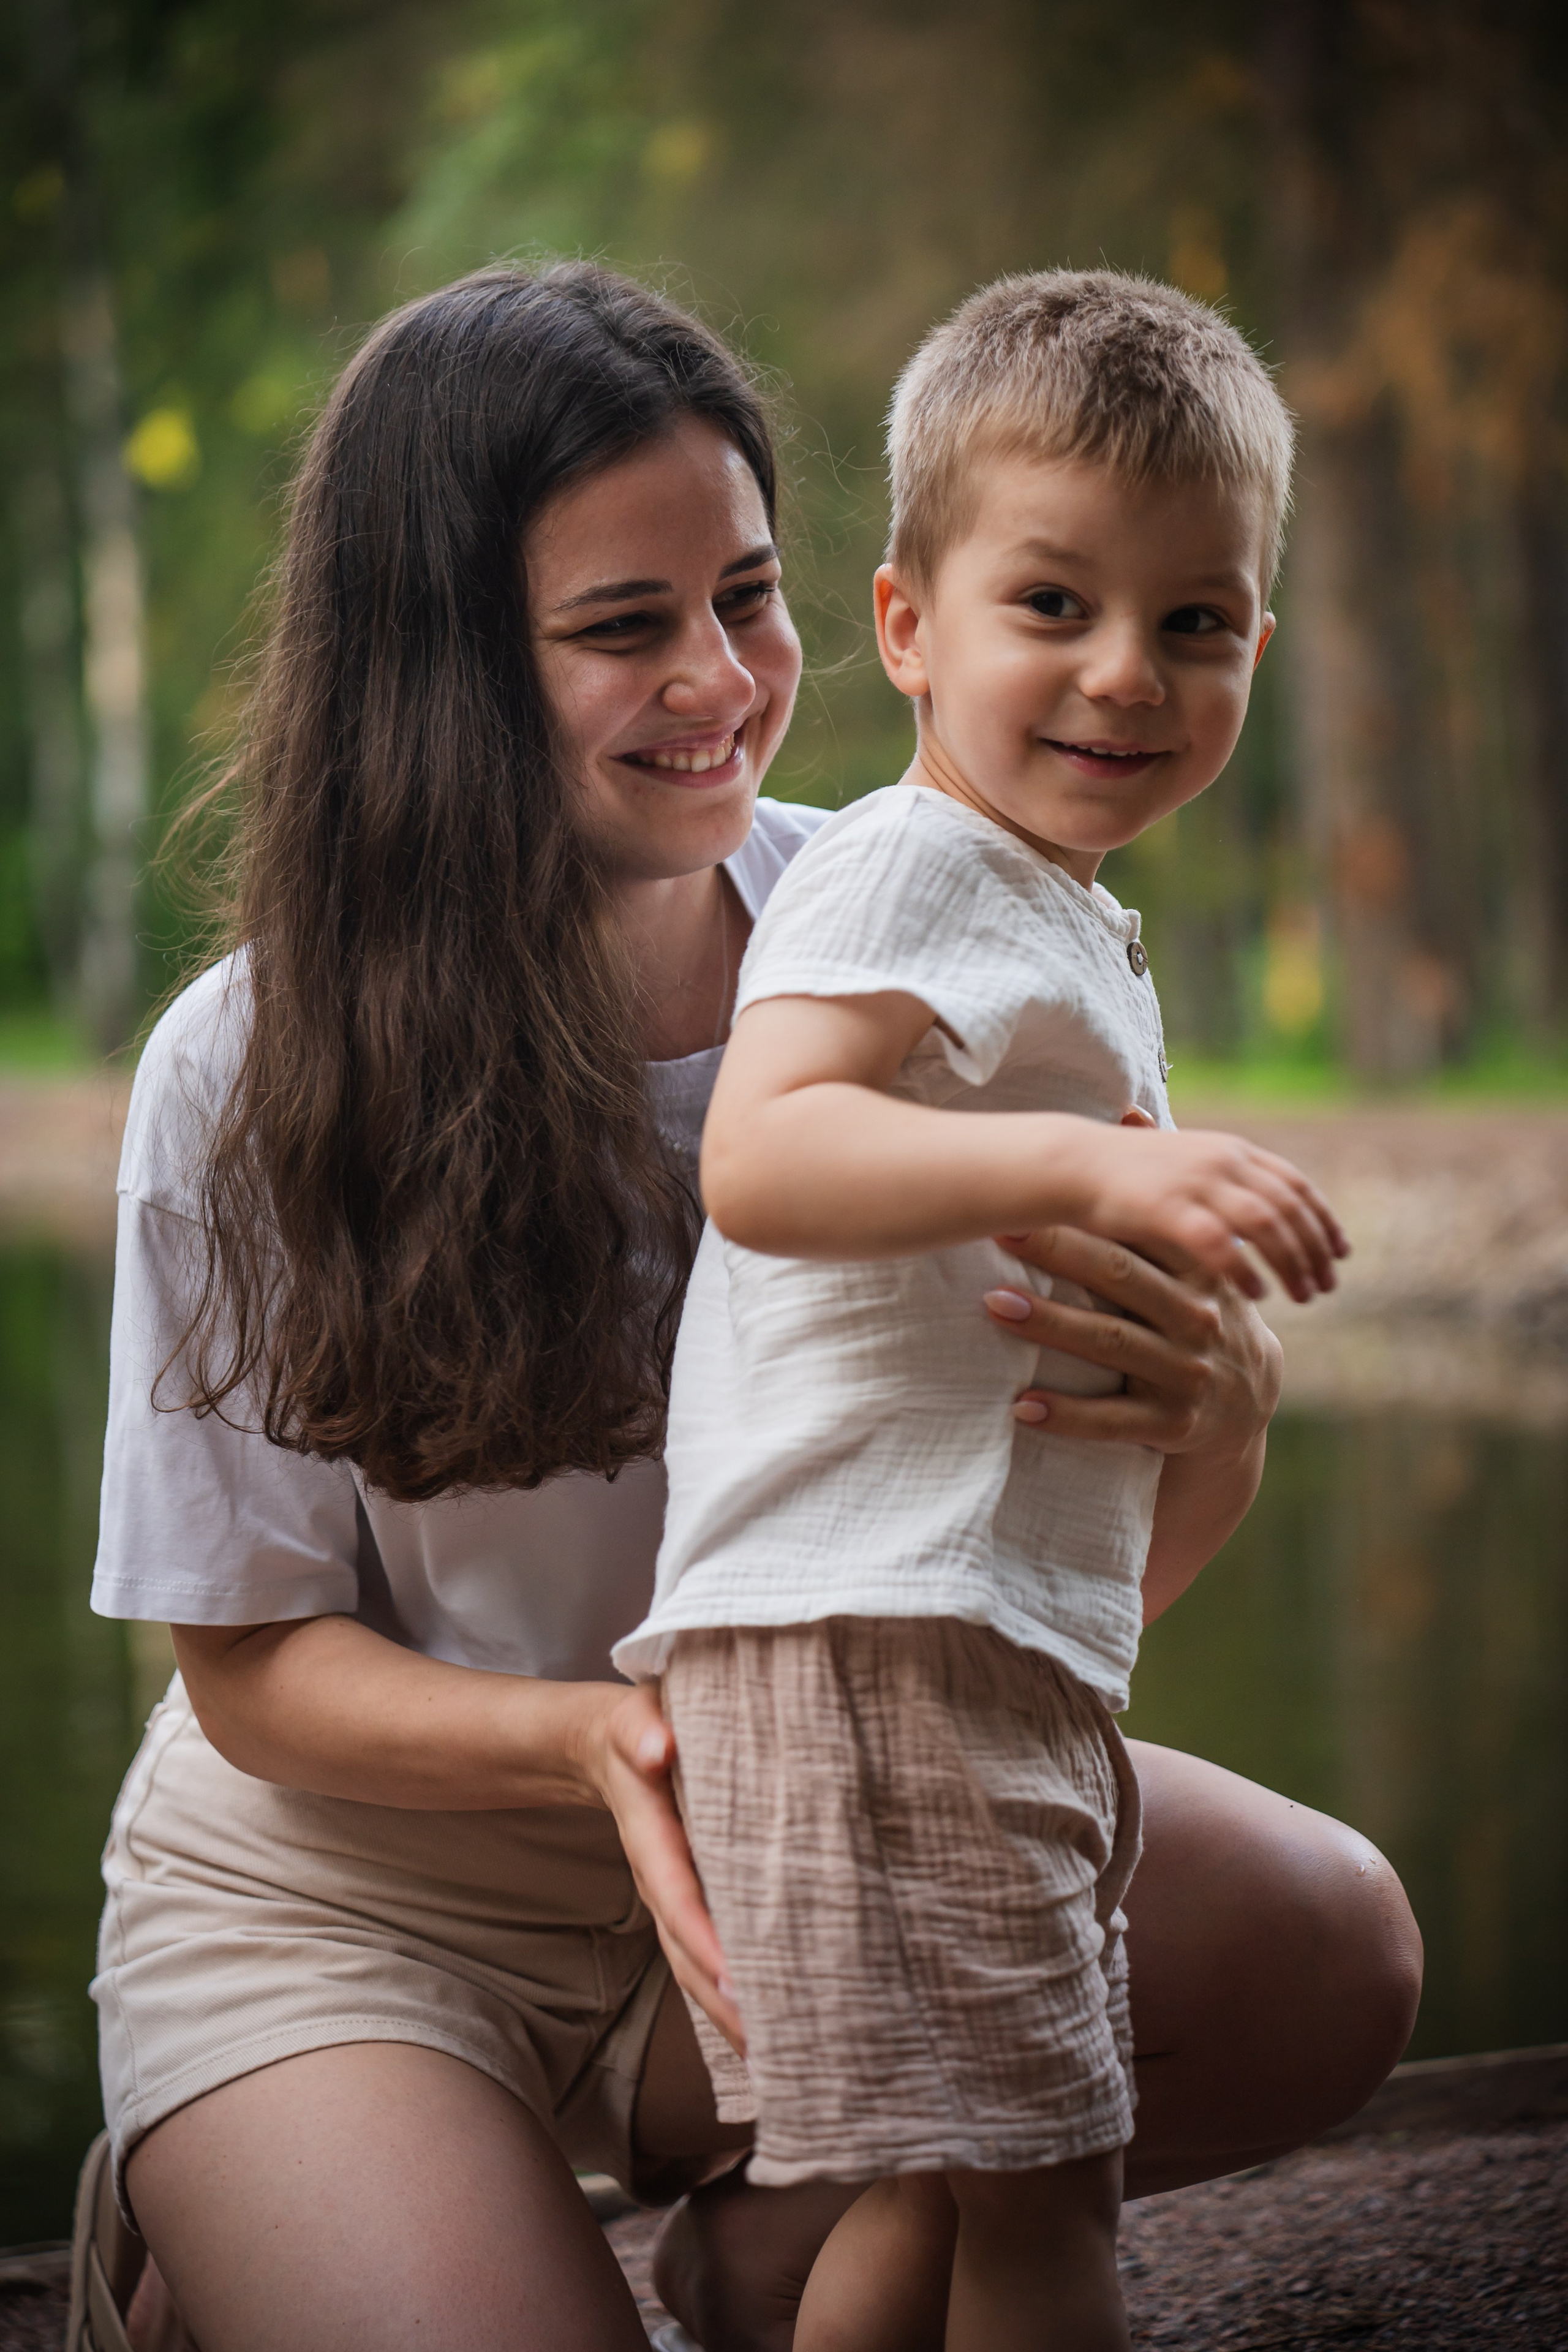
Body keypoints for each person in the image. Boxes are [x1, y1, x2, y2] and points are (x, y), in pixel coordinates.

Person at [81, 262, 1419, 2352]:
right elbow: (251, 1676)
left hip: (812, 1829)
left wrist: (1222, 1418)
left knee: (1332, 1948)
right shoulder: (246, 1070)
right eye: (626, 627)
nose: (719, 676)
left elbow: (1014, 1582)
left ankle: (763, 2235)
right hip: (365, 1904)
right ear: (442, 671)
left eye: (750, 594)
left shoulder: (921, 915)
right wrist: (610, 1736)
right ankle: (252, 2209)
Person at [611, 270, 1351, 2352]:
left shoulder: (1053, 913)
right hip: (873, 1647)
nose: (1128, 672)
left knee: (954, 2189)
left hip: (945, 1646)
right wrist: (1085, 1162)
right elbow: (763, 1159)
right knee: (1051, 2203)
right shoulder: (903, 873)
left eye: (1195, 622)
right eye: (1055, 604)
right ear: (907, 626)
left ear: (1257, 652)